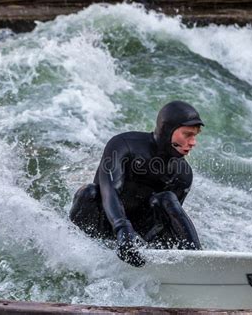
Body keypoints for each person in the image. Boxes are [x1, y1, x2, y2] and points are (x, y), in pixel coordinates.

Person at [69, 101, 204, 267]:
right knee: (88, 192)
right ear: (168, 130)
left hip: (139, 232)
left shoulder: (183, 174)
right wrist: (122, 228)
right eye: (187, 134)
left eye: (195, 136)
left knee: (167, 198)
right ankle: (73, 246)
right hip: (104, 224)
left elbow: (167, 224)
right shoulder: (124, 145)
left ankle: (198, 259)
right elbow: (109, 190)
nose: (193, 143)